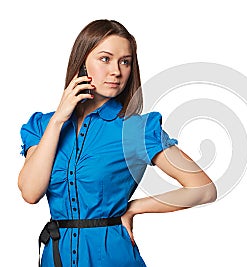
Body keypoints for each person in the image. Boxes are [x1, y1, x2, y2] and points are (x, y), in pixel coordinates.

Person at [18, 19, 217, 267]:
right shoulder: (42, 126)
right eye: (105, 59)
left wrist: (134, 208)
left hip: (113, 257)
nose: (117, 71)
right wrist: (59, 118)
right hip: (56, 257)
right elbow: (30, 192)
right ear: (81, 62)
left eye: (125, 61)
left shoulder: (135, 130)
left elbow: (203, 189)